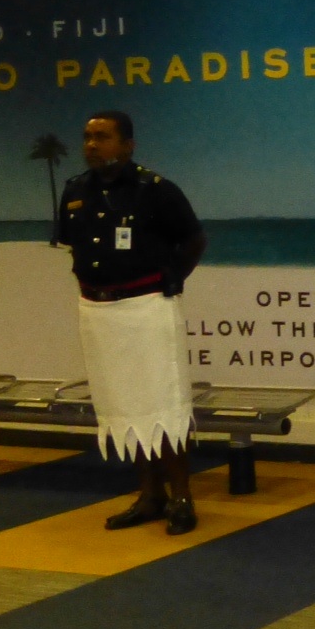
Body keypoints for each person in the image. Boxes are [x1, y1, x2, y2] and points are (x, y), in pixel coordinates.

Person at [56, 110, 207, 535]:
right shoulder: (74, 191)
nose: (91, 144)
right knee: (125, 406)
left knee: (164, 404)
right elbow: (72, 245)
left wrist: (169, 280)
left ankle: (181, 498)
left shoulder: (154, 190)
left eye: (102, 137)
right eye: (87, 136)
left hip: (147, 308)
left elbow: (194, 240)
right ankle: (150, 496)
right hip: (99, 312)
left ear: (128, 144)